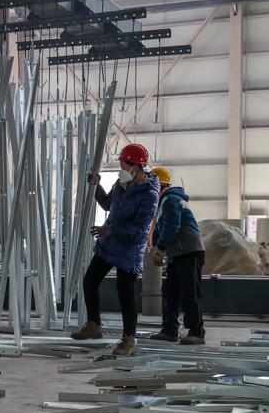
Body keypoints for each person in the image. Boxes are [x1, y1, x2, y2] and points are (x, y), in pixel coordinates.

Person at [71, 143, 159, 357]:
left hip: (129, 249)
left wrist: (111, 229)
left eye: (123, 166)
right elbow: (107, 204)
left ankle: (129, 338)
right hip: (109, 244)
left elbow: (139, 230)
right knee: (90, 281)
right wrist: (97, 186)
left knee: (125, 293)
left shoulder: (149, 194)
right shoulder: (121, 184)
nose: (121, 170)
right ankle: (94, 324)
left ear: (136, 167)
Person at [151, 167, 206, 345]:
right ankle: (169, 330)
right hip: (178, 252)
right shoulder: (164, 202)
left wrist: (160, 248)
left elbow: (171, 226)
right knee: (170, 291)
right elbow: (160, 228)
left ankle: (196, 332)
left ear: (158, 186)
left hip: (188, 251)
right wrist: (154, 244)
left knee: (190, 292)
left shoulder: (170, 200)